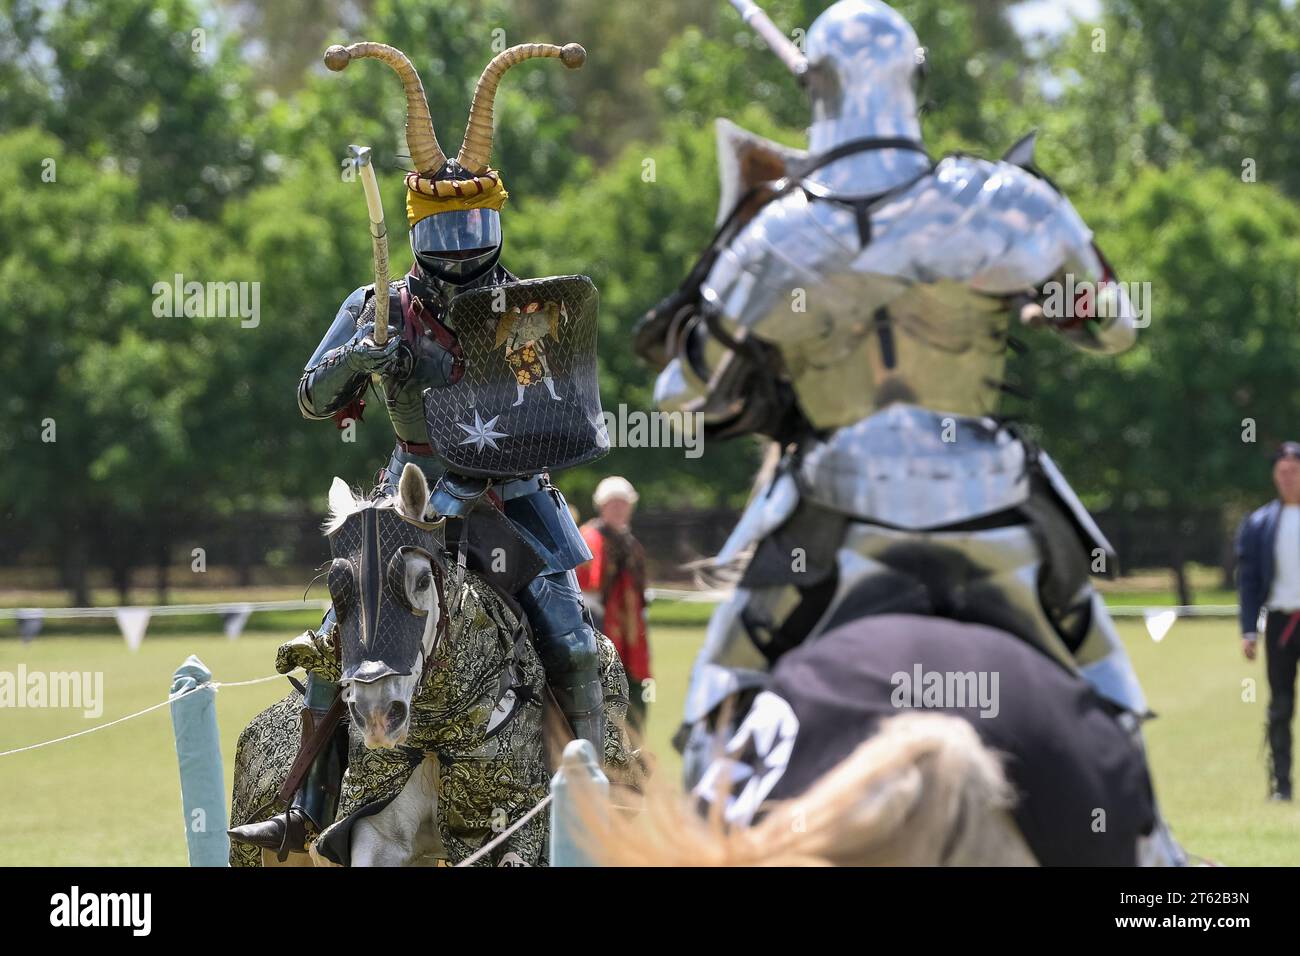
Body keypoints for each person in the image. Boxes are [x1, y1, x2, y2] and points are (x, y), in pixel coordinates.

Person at [634, 0, 1183, 863]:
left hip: (829, 518)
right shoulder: (1007, 201)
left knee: (722, 692)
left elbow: (678, 392)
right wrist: (1037, 306)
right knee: (1106, 685)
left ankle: (714, 823)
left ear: (816, 88)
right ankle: (1158, 850)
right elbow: (1113, 324)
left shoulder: (776, 233)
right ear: (915, 81)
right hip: (997, 510)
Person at [232, 38, 607, 857]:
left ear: (497, 217)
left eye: (477, 219)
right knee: (348, 638)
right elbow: (309, 395)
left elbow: (551, 403)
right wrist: (362, 358)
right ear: (416, 229)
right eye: (449, 224)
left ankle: (598, 786)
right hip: (415, 491)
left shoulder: (523, 310)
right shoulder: (378, 304)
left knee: (571, 634)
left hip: (510, 491)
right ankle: (307, 800)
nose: (466, 238)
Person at [1234, 441, 1300, 800]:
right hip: (1280, 624)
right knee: (1280, 706)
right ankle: (1282, 786)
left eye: (1295, 471)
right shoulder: (1260, 523)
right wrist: (1248, 629)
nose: (1289, 478)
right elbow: (1248, 582)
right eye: (1283, 472)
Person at [578, 477, 652, 733]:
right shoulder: (590, 538)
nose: (619, 509)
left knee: (634, 689)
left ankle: (635, 748)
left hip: (631, 631)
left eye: (623, 503)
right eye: (613, 503)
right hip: (601, 627)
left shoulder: (630, 542)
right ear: (602, 506)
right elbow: (585, 585)